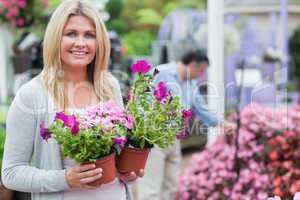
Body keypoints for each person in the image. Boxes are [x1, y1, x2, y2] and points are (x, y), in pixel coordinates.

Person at [1, 1, 143, 200]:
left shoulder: (109, 85)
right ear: (55, 39)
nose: (81, 43)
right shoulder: (32, 94)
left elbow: (118, 158)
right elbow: (11, 173)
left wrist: (129, 172)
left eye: (89, 35)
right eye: (71, 34)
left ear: (99, 41)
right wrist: (65, 179)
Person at [138, 49, 234, 200]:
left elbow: (201, 108)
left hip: (174, 139)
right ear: (193, 65)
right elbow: (140, 101)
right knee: (151, 189)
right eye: (201, 70)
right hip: (154, 138)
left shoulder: (191, 83)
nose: (202, 74)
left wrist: (223, 123)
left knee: (171, 187)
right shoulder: (161, 73)